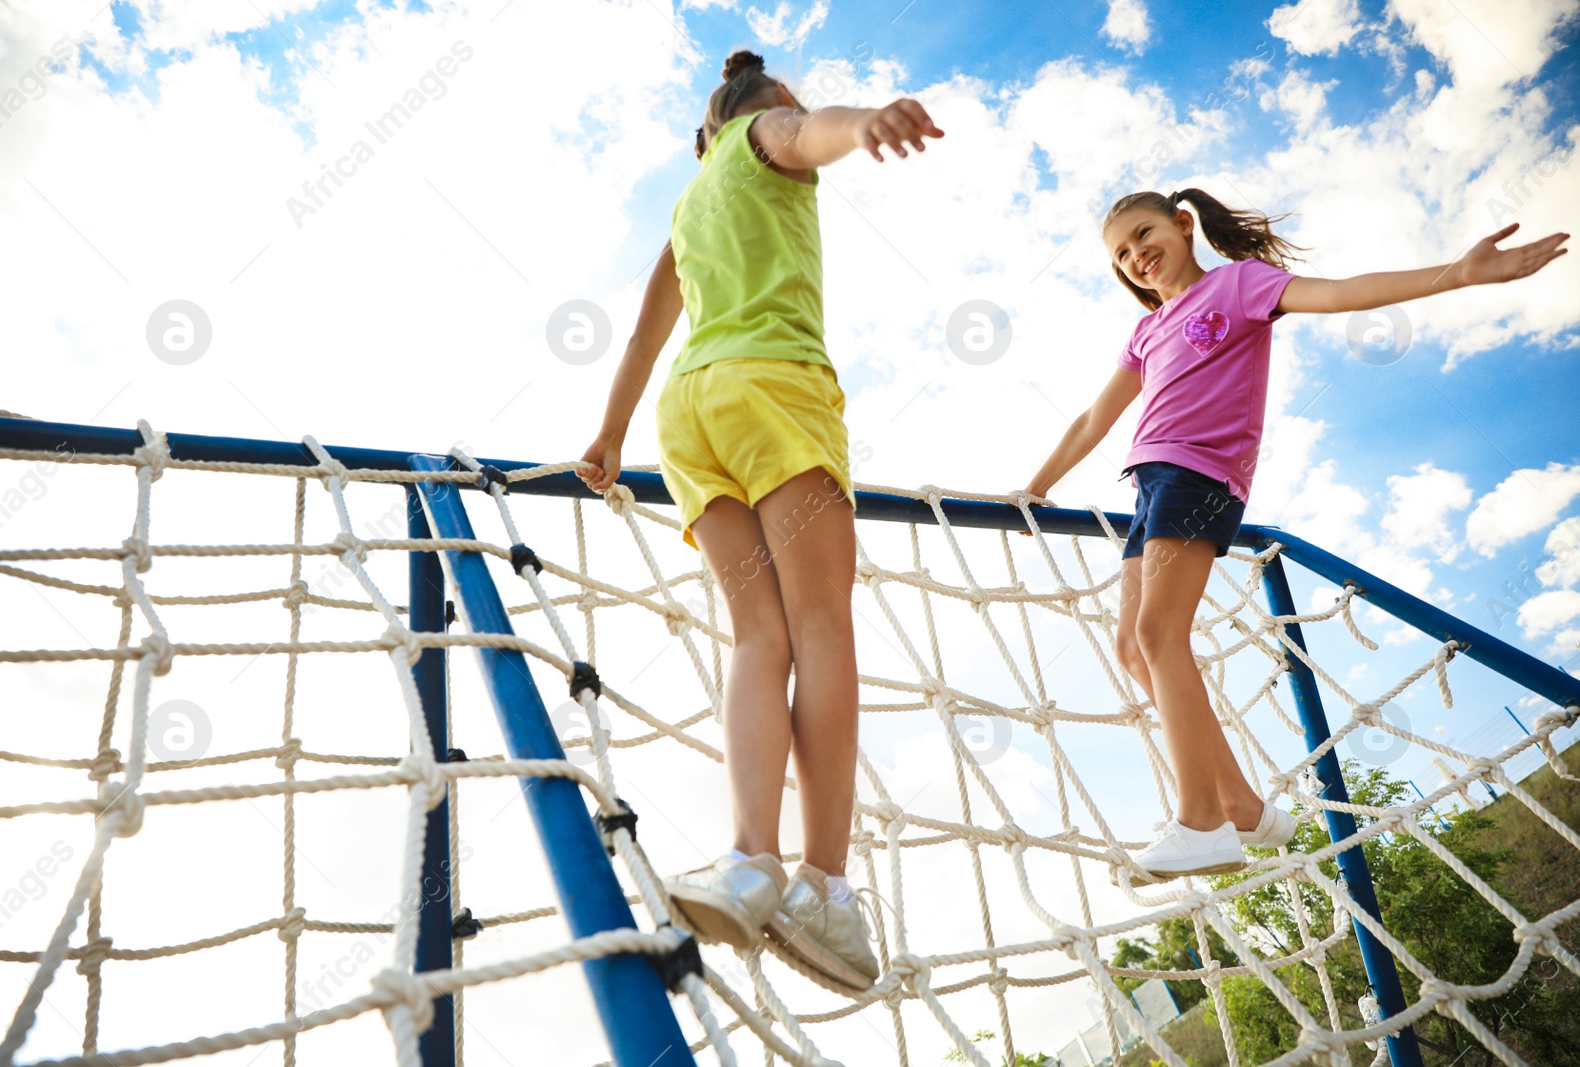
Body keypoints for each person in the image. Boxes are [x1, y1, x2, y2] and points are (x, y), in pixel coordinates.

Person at [1021, 188, 1567, 885]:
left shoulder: (1240, 285)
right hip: (1150, 484)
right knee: (1132, 646)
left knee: (1161, 635)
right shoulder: (1147, 330)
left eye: (1144, 233)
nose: (1136, 256)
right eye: (1121, 253)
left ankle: (1200, 821)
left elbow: (1340, 292)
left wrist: (1454, 273)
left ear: (1184, 225)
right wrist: (1035, 487)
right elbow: (1093, 419)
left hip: (1201, 476)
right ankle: (1245, 808)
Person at [576, 50, 943, 987]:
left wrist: (609, 437)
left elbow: (646, 332)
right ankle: (824, 885)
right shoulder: (762, 134)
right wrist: (858, 126)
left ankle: (749, 860)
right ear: (767, 103)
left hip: (692, 418)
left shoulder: (687, 209)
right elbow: (802, 134)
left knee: (758, 636)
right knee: (823, 624)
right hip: (775, 394)